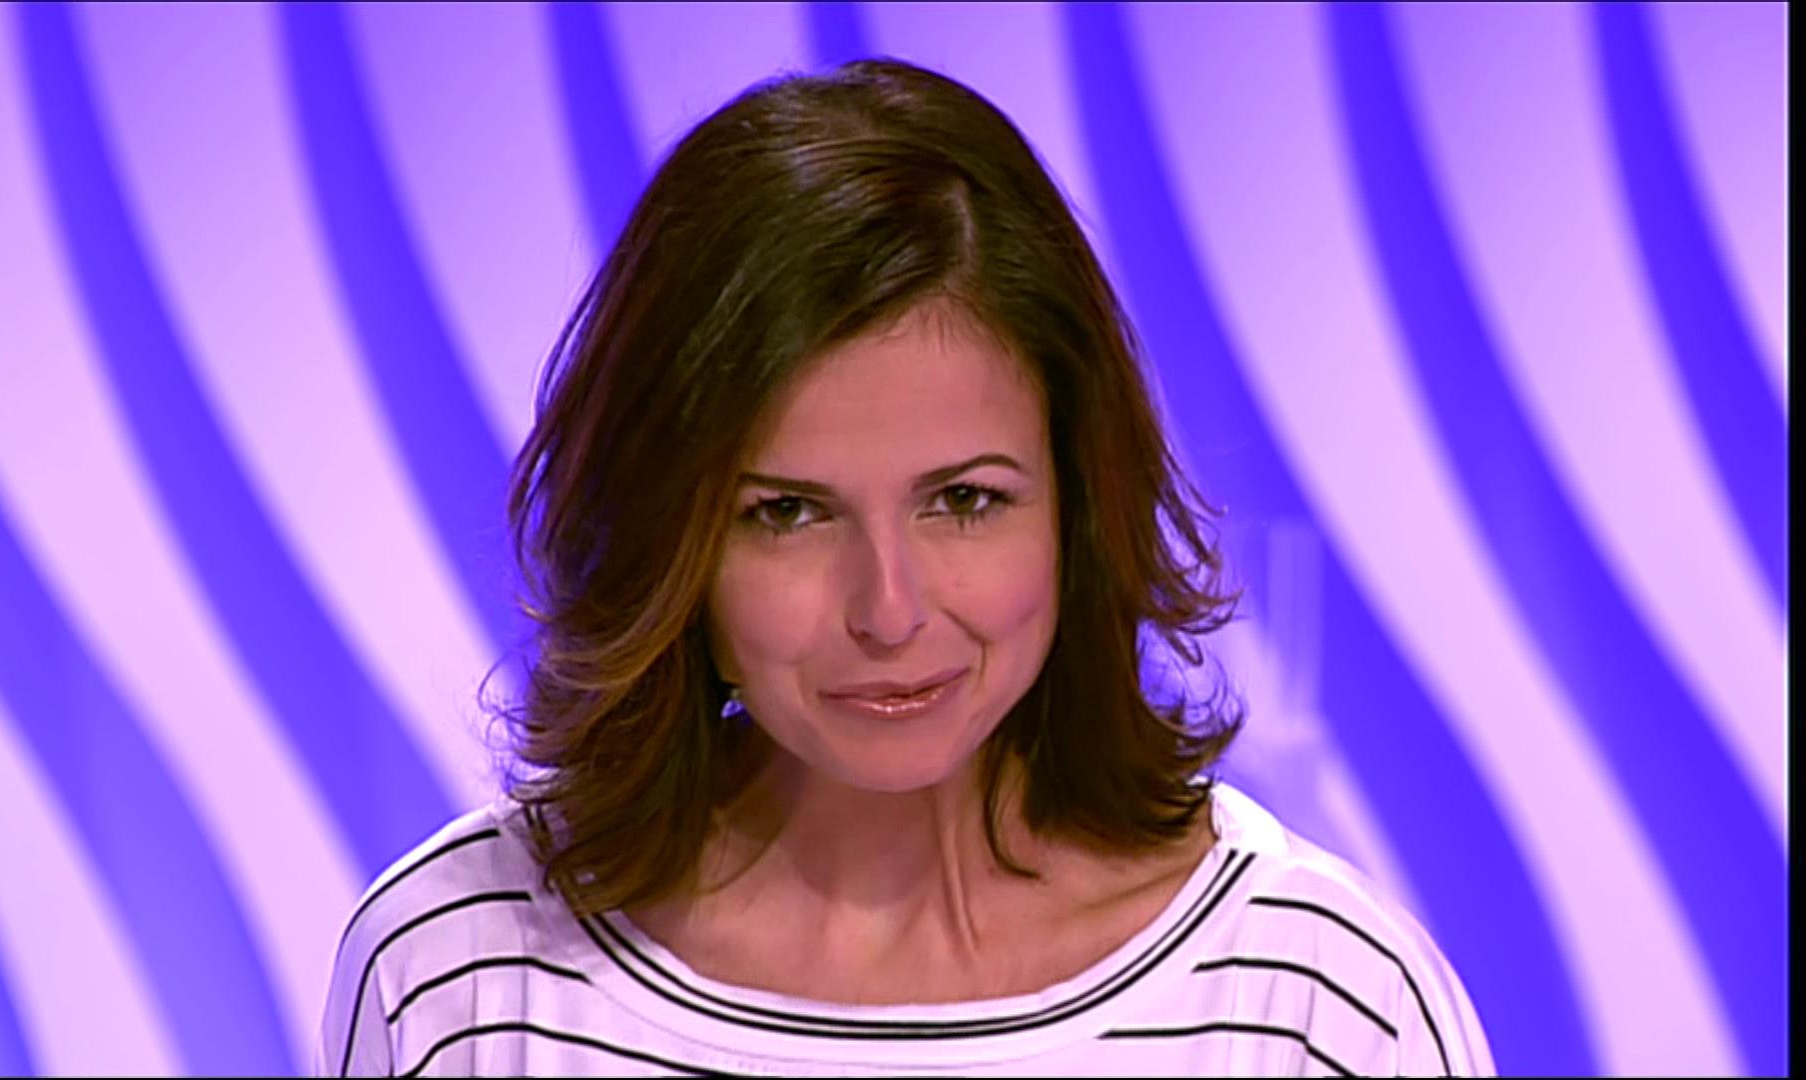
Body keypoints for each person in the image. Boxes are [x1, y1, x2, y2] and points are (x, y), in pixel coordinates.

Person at [316, 59, 1495, 1077]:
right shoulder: (462, 970)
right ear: (671, 536)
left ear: (1078, 506)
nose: (889, 610)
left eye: (965, 501)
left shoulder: (1315, 1005)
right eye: (786, 514)